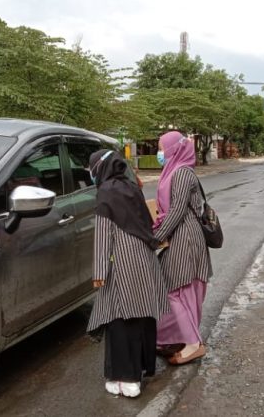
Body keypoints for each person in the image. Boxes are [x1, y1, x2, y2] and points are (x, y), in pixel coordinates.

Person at [86, 149, 168, 399]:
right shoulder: (132, 188)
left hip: (122, 263)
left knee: (120, 320)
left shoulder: (106, 192)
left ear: (99, 167)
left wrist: (99, 271)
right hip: (144, 259)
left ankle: (125, 378)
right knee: (142, 315)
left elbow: (103, 234)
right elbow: (146, 223)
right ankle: (141, 370)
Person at [153, 131, 212, 365]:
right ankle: (174, 338)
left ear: (173, 149)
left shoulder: (181, 174)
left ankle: (192, 344)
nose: (160, 152)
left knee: (176, 291)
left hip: (184, 238)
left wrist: (155, 237)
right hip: (180, 237)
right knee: (177, 289)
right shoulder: (175, 171)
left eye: (161, 148)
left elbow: (176, 212)